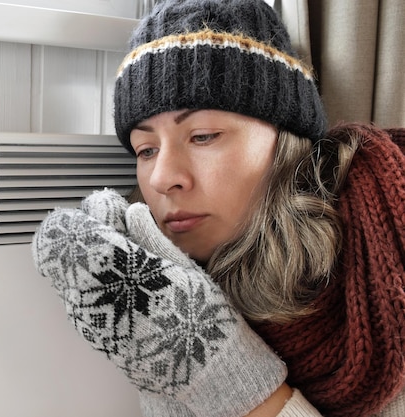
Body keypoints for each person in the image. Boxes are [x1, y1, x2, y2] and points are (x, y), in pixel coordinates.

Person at [32, 0, 405, 416]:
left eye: (204, 136)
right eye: (145, 149)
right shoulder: (158, 277)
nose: (161, 178)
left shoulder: (392, 236)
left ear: (287, 140)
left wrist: (227, 380)